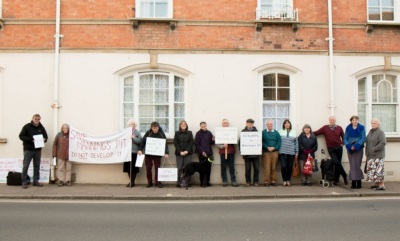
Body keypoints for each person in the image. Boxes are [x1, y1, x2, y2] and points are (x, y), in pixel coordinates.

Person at [314, 116, 348, 185]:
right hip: (331, 148)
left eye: (333, 120)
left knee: (338, 163)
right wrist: (307, 133)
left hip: (339, 148)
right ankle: (344, 175)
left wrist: (342, 143)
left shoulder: (339, 128)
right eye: (330, 120)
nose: (332, 121)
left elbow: (344, 137)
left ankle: (336, 179)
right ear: (329, 120)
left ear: (335, 120)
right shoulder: (325, 128)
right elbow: (316, 133)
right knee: (336, 162)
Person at [19, 114, 48, 189]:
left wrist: (44, 139)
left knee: (37, 166)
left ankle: (36, 181)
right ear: (32, 118)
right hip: (28, 149)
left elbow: (46, 136)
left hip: (37, 150)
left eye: (38, 119)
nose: (37, 120)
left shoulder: (41, 127)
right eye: (35, 119)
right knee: (26, 166)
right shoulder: (27, 126)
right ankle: (24, 182)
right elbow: (21, 136)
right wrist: (30, 139)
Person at [138, 122, 169, 188]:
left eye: (156, 128)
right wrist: (140, 149)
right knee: (148, 168)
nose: (155, 129)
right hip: (148, 154)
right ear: (151, 128)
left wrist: (166, 152)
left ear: (158, 127)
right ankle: (149, 182)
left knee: (158, 168)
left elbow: (165, 143)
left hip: (157, 154)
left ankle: (158, 182)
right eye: (153, 128)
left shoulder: (161, 133)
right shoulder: (148, 133)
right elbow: (143, 141)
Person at [343, 116, 366, 189]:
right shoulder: (348, 128)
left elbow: (363, 138)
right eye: (353, 120)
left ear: (358, 120)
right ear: (351, 121)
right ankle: (353, 182)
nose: (355, 121)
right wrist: (349, 146)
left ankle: (359, 182)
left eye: (356, 120)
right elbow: (345, 138)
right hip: (350, 149)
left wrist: (356, 145)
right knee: (352, 165)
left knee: (357, 165)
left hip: (359, 148)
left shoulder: (361, 127)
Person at [365, 118, 386, 191]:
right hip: (370, 155)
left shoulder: (380, 132)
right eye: (372, 123)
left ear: (378, 124)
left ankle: (382, 185)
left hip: (378, 155)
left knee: (379, 171)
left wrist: (373, 149)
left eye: (375, 123)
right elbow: (368, 141)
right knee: (373, 170)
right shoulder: (370, 132)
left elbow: (383, 143)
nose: (373, 124)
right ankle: (377, 184)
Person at [240, 118, 261, 187]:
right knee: (248, 169)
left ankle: (256, 182)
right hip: (247, 155)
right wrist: (242, 150)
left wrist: (259, 150)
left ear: (253, 124)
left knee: (257, 169)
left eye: (251, 123)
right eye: (249, 123)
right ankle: (248, 182)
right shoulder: (243, 132)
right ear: (246, 124)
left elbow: (260, 142)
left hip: (255, 154)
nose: (250, 124)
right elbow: (240, 143)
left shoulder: (257, 132)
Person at [218, 119, 238, 187]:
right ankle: (224, 180)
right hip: (223, 152)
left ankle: (233, 180)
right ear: (222, 124)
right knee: (223, 167)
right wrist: (222, 146)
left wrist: (231, 140)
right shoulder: (219, 132)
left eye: (226, 123)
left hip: (231, 151)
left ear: (228, 124)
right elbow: (217, 143)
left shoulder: (232, 131)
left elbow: (236, 140)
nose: (225, 124)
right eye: (224, 123)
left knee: (231, 167)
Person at [174, 120, 194, 187]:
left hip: (188, 153)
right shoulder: (177, 133)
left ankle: (188, 182)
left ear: (186, 125)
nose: (183, 125)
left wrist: (187, 151)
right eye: (182, 124)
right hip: (179, 153)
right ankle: (179, 182)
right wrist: (180, 151)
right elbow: (175, 143)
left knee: (188, 168)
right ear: (180, 126)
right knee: (179, 168)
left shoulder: (190, 133)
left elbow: (191, 142)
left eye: (184, 124)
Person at [278, 119, 298, 187]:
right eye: (285, 123)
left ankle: (288, 180)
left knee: (289, 167)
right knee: (283, 166)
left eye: (288, 123)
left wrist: (296, 152)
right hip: (282, 152)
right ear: (284, 125)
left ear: (290, 124)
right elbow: (278, 141)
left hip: (291, 152)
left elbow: (296, 143)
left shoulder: (294, 132)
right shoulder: (280, 132)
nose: (287, 124)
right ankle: (284, 180)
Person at [194, 121, 215, 187]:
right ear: (200, 126)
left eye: (204, 125)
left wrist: (213, 140)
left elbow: (211, 143)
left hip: (209, 154)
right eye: (201, 125)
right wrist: (202, 152)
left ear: (206, 125)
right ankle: (202, 182)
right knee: (202, 169)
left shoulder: (209, 133)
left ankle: (207, 182)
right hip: (201, 154)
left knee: (209, 168)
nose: (203, 126)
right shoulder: (198, 133)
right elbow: (197, 144)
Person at [261, 120, 281, 187]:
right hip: (266, 152)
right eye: (268, 124)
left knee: (274, 167)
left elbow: (279, 141)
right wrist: (267, 147)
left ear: (272, 125)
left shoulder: (276, 132)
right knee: (267, 167)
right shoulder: (263, 132)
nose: (269, 125)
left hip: (275, 152)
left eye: (271, 124)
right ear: (266, 125)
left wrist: (274, 148)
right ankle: (266, 181)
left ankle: (273, 180)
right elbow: (261, 141)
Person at [123, 119, 142, 187]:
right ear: (129, 125)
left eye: (134, 124)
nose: (132, 125)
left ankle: (132, 182)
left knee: (134, 168)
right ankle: (131, 181)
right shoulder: (125, 132)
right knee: (128, 167)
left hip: (134, 152)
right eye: (131, 124)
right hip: (127, 153)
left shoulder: (137, 132)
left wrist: (134, 138)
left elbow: (140, 141)